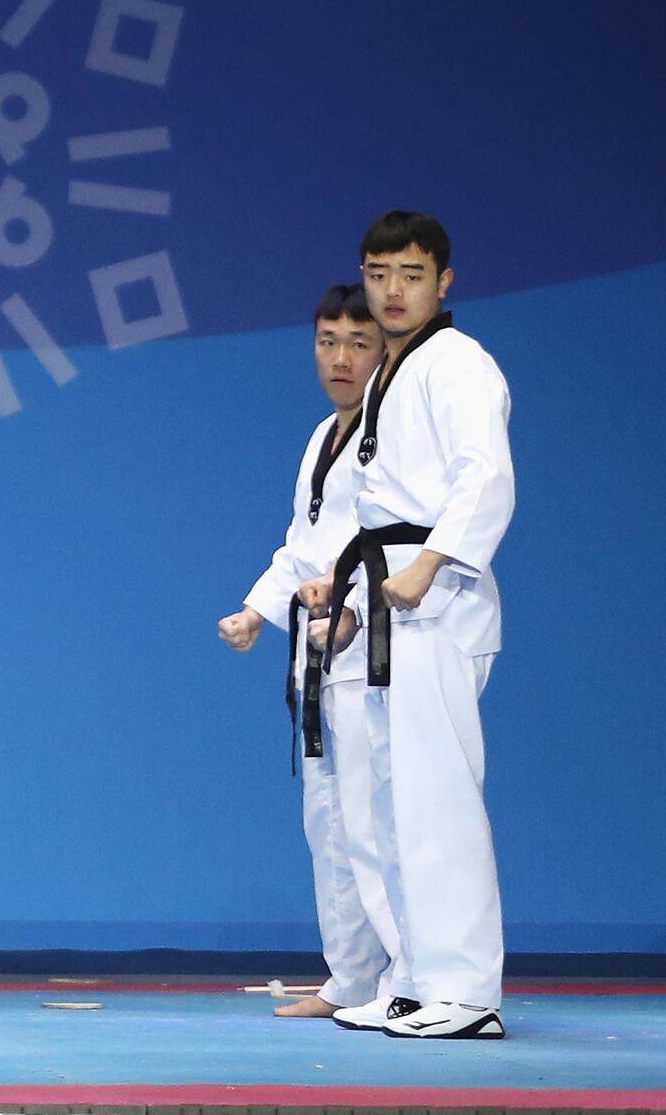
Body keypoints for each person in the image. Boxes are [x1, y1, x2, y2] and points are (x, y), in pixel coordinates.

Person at [299, 210, 516, 1041]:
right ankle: (420, 980)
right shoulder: (396, 370)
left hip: (437, 596)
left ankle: (467, 991)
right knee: (394, 808)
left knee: (438, 802)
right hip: (392, 602)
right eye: (379, 272)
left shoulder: (457, 363)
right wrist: (356, 605)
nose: (392, 290)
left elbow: (484, 476)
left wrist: (433, 560)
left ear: (444, 281)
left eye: (411, 274)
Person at [214, 286, 386, 1022]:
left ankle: (408, 979)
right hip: (318, 657)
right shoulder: (323, 437)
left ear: (385, 349)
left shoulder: (396, 437)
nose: (340, 358)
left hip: (374, 650)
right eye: (327, 340)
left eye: (357, 341)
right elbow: (301, 548)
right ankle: (351, 977)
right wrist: (256, 609)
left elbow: (396, 543)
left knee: (381, 823)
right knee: (330, 823)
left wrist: (352, 609)